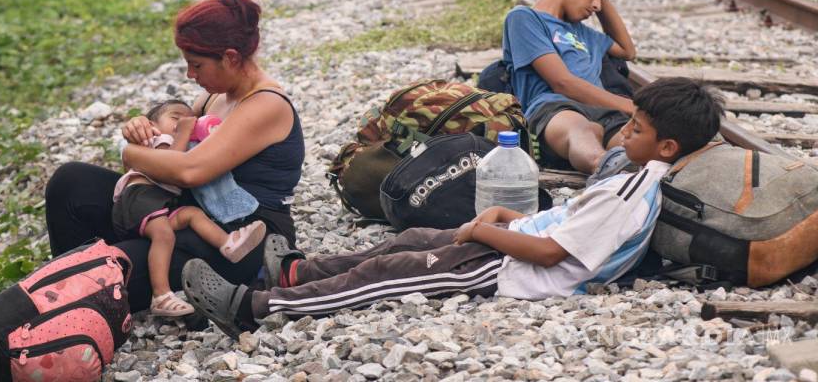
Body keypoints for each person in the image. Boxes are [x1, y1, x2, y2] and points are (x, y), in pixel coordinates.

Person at [181, 78, 724, 335]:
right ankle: (297, 271)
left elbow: (551, 253)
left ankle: (256, 309)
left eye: (637, 129)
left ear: (668, 147)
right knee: (410, 240)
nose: (624, 133)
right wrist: (506, 217)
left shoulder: (629, 190)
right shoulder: (632, 174)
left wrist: (487, 235)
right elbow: (560, 224)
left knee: (390, 272)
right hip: (507, 246)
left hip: (506, 270)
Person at [43, 0, 305, 314]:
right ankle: (67, 291)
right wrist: (141, 131)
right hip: (183, 214)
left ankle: (74, 298)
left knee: (108, 267)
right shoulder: (215, 98)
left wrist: (128, 152)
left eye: (196, 65)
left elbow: (188, 170)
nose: (190, 75)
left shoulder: (267, 104)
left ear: (231, 57)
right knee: (71, 183)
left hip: (237, 238)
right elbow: (166, 147)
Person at [112, 99, 267, 317]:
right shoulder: (157, 139)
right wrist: (185, 131)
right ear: (152, 123)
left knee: (192, 215)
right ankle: (161, 295)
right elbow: (173, 164)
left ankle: (228, 244)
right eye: (175, 118)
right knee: (164, 236)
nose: (183, 123)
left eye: (188, 121)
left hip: (159, 202)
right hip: (139, 197)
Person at [502, 0, 636, 175]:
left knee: (633, 144)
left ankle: (634, 171)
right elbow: (562, 83)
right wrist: (629, 105)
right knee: (583, 130)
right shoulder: (525, 18)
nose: (596, 5)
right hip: (555, 109)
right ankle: (604, 167)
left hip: (605, 110)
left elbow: (627, 50)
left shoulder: (584, 33)